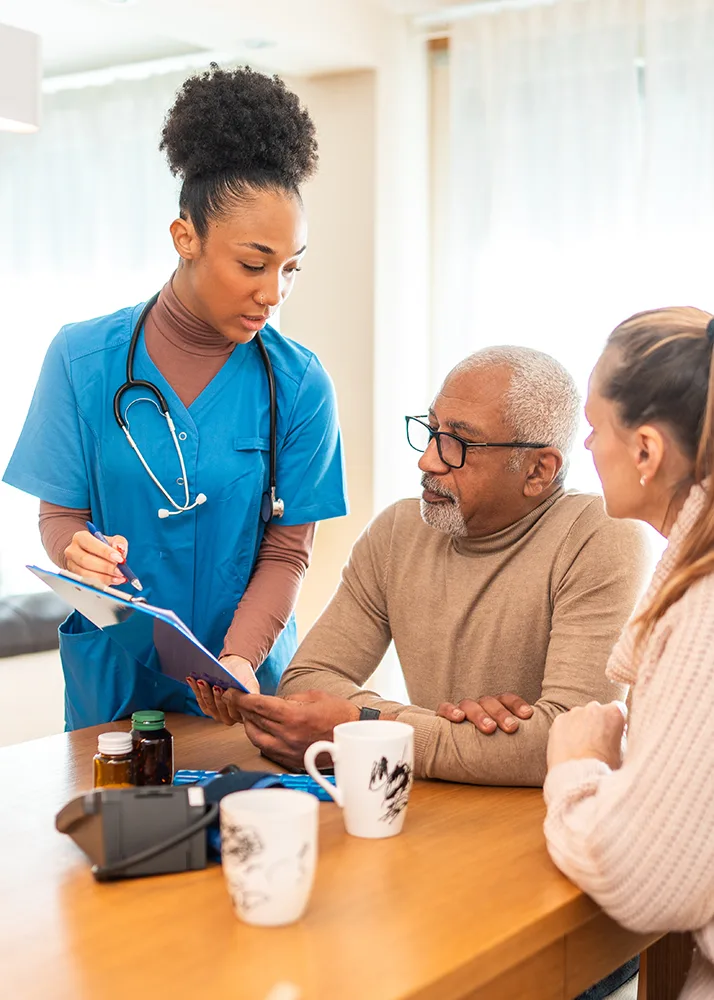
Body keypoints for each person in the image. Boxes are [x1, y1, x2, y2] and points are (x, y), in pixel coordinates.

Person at [3, 66, 348, 730]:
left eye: (291, 268)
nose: (274, 294)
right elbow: (60, 519)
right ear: (185, 238)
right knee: (111, 830)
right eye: (254, 264)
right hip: (115, 682)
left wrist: (239, 660)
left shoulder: (300, 385)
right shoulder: (81, 360)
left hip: (243, 686)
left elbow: (287, 552)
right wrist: (74, 548)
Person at [191, 346, 649, 785]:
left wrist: (365, 724)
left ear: (538, 471)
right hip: (437, 804)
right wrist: (425, 731)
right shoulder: (399, 530)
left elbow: (567, 746)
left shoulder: (602, 536)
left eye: (458, 443)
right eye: (431, 431)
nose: (427, 459)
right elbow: (305, 683)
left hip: (556, 820)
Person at [544, 307, 714, 999]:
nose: (586, 444)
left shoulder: (701, 607)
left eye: (594, 424)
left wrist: (577, 763)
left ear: (645, 450)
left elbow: (642, 873)